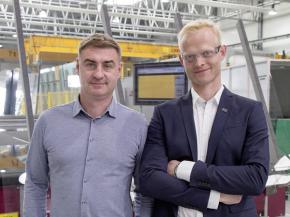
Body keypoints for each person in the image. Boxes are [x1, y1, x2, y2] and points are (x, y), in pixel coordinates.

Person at [140, 19, 269, 217]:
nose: (199, 62)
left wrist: (184, 169)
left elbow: (255, 178)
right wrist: (212, 198)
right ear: (181, 60)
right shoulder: (165, 114)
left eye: (207, 53)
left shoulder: (249, 111)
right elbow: (150, 179)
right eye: (190, 56)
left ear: (222, 52)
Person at [23, 33, 152, 217]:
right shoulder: (48, 122)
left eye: (107, 65)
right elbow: (35, 183)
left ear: (119, 70)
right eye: (90, 64)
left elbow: (145, 192)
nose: (99, 74)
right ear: (78, 67)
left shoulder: (138, 125)